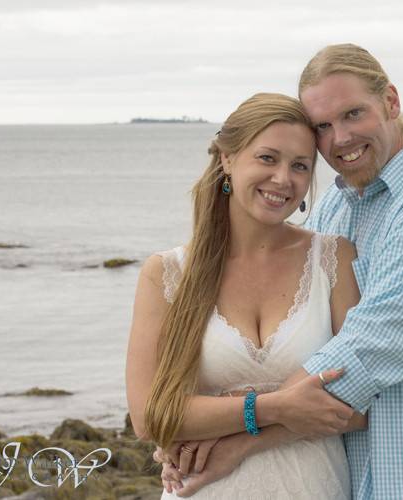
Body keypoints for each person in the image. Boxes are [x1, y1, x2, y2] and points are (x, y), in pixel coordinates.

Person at [158, 44, 403, 499]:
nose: (339, 138)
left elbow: (362, 356)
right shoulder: (338, 206)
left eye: (353, 114)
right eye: (322, 126)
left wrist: (234, 438)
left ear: (391, 102)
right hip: (340, 482)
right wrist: (196, 428)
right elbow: (305, 343)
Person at [125, 92, 367, 499]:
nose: (283, 179)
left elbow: (359, 402)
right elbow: (149, 417)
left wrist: (233, 426)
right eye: (268, 158)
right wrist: (275, 407)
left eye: (300, 166)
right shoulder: (167, 274)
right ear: (227, 158)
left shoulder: (333, 259)